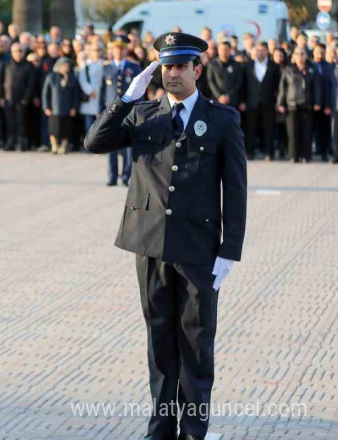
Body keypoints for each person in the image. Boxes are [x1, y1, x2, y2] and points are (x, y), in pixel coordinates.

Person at [84, 32, 247, 440]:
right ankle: (161, 426)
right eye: (166, 66)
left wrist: (230, 250)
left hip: (198, 250)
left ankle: (194, 428)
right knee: (159, 341)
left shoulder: (223, 119)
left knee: (195, 342)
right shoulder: (143, 114)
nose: (172, 73)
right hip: (150, 245)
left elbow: (236, 189)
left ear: (197, 69)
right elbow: (93, 142)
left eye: (180, 66)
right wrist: (125, 99)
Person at [102, 37, 141, 185]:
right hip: (111, 111)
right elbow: (102, 90)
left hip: (129, 110)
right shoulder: (106, 67)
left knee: (127, 145)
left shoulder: (134, 67)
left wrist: (139, 108)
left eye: (122, 48)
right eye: (116, 48)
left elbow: (139, 90)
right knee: (110, 143)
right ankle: (112, 176)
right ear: (112, 50)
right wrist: (101, 110)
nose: (119, 51)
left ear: (126, 50)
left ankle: (126, 176)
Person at [277, 46, 322, 163]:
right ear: (294, 56)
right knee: (292, 133)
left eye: (302, 54)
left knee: (307, 132)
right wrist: (280, 103)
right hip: (292, 105)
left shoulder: (312, 69)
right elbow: (283, 88)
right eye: (297, 54)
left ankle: (307, 156)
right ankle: (293, 156)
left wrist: (317, 102)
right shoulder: (288, 70)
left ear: (306, 56)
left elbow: (317, 87)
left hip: (307, 105)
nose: (300, 56)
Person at [240, 42, 280, 160]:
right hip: (251, 103)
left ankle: (269, 153)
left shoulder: (274, 66)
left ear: (267, 51)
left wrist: (277, 102)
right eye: (258, 50)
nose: (260, 53)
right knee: (250, 129)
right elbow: (243, 85)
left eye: (262, 50)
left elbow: (278, 86)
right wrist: (243, 101)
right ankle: (250, 152)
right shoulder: (248, 65)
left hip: (269, 103)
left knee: (269, 129)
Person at [2, 42, 36, 151]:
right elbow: (0, 81)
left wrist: (26, 98)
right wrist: (1, 97)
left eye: (21, 51)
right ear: (11, 52)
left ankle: (23, 142)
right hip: (8, 98)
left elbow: (31, 84)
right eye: (16, 51)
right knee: (10, 122)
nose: (18, 53)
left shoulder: (29, 65)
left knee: (22, 122)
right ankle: (10, 141)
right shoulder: (6, 64)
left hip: (23, 99)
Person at [42, 57, 79, 155]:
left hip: (67, 109)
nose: (66, 67)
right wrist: (46, 107)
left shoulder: (72, 78)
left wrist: (74, 107)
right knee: (53, 128)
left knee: (66, 129)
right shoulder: (51, 76)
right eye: (64, 65)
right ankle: (54, 146)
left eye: (67, 65)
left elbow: (76, 94)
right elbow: (46, 93)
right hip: (54, 108)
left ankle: (63, 146)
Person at [311, 43, 334, 162]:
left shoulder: (329, 67)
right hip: (310, 104)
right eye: (318, 52)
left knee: (324, 130)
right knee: (310, 130)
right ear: (313, 52)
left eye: (322, 53)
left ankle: (324, 152)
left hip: (324, 104)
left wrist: (327, 105)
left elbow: (330, 87)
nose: (320, 55)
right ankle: (311, 151)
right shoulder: (309, 65)